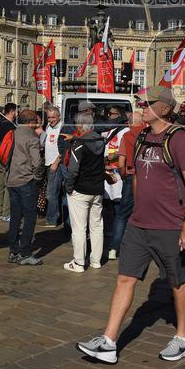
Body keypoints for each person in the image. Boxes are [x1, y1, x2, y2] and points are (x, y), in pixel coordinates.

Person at [77, 86, 185, 364]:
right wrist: (134, 210)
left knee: (178, 281)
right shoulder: (143, 135)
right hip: (139, 224)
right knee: (124, 278)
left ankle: (183, 338)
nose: (141, 106)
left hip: (170, 225)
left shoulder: (179, 139)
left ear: (165, 108)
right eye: (141, 102)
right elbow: (136, 177)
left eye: (147, 103)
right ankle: (109, 341)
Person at [63, 111, 105, 272]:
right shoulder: (100, 139)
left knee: (79, 228)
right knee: (96, 225)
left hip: (80, 189)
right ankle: (96, 260)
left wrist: (69, 187)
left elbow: (73, 170)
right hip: (97, 188)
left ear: (80, 126)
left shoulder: (79, 143)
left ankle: (79, 262)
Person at [6, 108, 44, 265]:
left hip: (12, 179)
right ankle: (25, 252)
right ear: (30, 122)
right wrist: (38, 177)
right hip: (26, 180)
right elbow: (37, 162)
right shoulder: (32, 136)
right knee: (29, 217)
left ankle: (13, 250)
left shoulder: (13, 133)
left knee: (15, 217)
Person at [109, 110, 144, 259]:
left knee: (122, 215)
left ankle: (113, 248)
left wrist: (123, 176)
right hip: (147, 178)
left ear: (129, 123)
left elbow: (121, 163)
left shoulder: (127, 136)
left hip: (130, 177)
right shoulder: (148, 134)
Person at [0, 103, 18, 221]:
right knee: (8, 185)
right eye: (16, 112)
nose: (17, 114)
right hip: (6, 157)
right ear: (12, 112)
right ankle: (6, 213)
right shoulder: (11, 126)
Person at [41, 106, 65, 227]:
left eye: (53, 117)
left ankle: (52, 219)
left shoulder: (62, 127)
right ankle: (55, 217)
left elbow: (63, 148)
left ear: (59, 116)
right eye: (49, 117)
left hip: (56, 165)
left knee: (52, 193)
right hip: (48, 163)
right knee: (53, 192)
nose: (50, 120)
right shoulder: (48, 126)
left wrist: (56, 163)